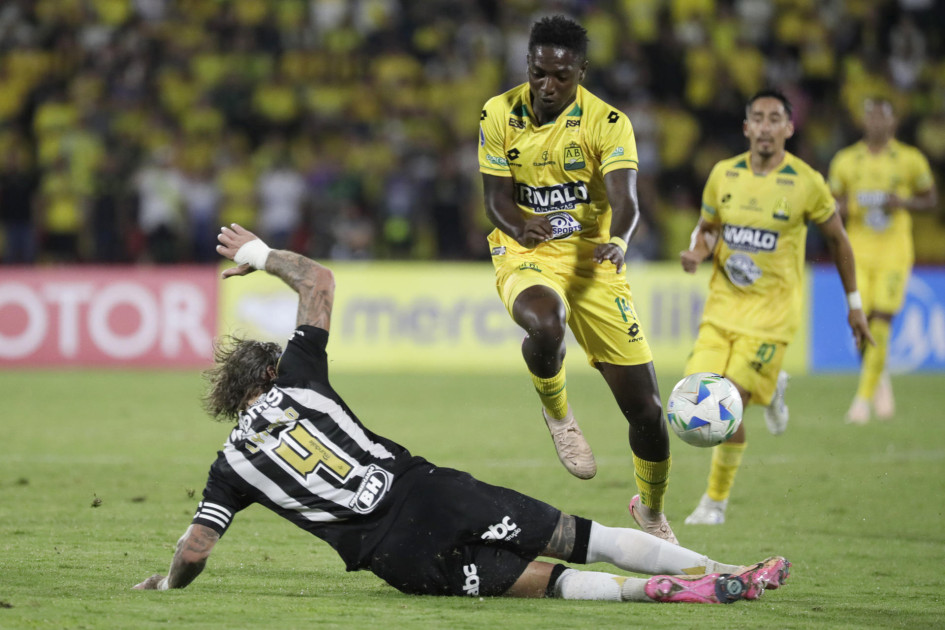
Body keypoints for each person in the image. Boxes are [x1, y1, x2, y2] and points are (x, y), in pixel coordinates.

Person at [134, 223, 791, 604]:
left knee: (547, 584)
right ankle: (725, 573)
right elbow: (318, 282)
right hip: (430, 494)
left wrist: (168, 585)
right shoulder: (300, 376)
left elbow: (196, 548)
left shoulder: (229, 468)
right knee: (582, 538)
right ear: (270, 373)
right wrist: (258, 254)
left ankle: (643, 595)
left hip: (398, 561)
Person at [478, 15, 676, 543]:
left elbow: (626, 200)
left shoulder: (608, 123)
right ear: (528, 65)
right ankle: (559, 415)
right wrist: (521, 227)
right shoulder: (498, 113)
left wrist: (621, 242)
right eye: (539, 73)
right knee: (546, 323)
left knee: (648, 412)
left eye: (561, 77)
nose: (548, 86)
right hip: (526, 250)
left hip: (594, 259)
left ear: (581, 72)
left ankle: (652, 511)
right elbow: (495, 199)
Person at [679, 89, 873, 525]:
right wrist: (697, 251)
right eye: (758, 119)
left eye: (774, 119)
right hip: (720, 312)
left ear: (789, 127)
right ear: (746, 127)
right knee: (693, 408)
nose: (765, 127)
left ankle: (714, 503)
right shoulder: (723, 174)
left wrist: (855, 305)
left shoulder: (806, 182)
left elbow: (839, 240)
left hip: (771, 318)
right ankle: (774, 387)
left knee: (725, 408)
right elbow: (707, 227)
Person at [828, 97, 938, 425]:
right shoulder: (846, 160)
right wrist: (848, 206)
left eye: (882, 117)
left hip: (894, 251)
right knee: (860, 320)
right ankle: (879, 376)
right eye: (871, 116)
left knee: (881, 319)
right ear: (863, 121)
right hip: (857, 252)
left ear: (893, 122)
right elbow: (830, 205)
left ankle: (862, 401)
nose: (876, 122)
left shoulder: (910, 159)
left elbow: (931, 198)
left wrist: (903, 202)